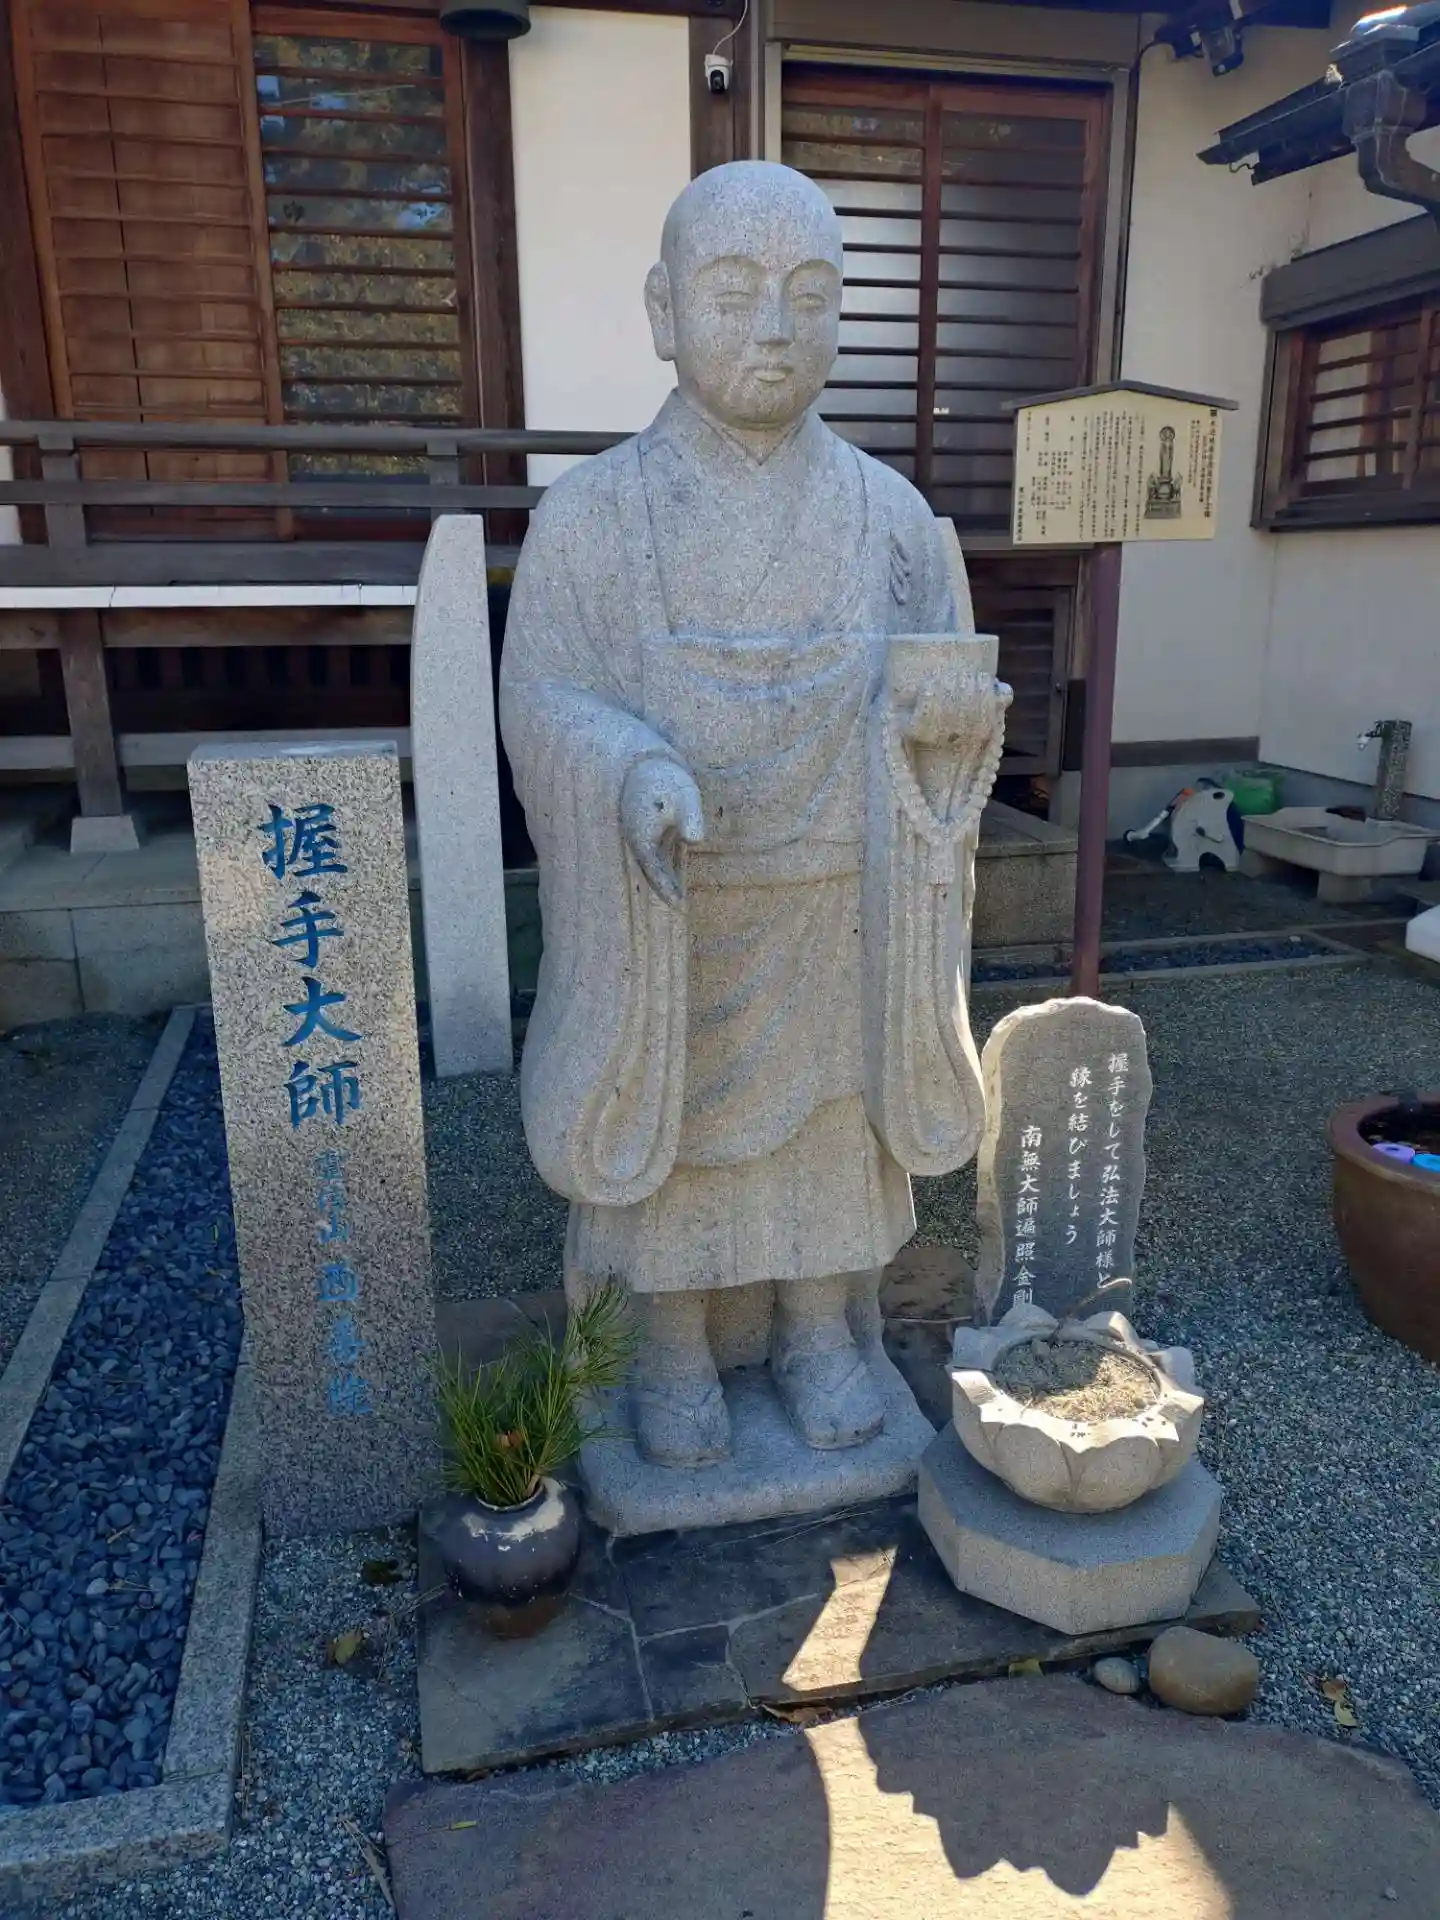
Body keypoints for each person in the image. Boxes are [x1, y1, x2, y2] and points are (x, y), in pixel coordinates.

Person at [500, 162, 1009, 1476]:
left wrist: (949, 731)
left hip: (842, 902)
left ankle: (821, 1334)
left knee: (833, 1126)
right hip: (675, 911)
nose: (776, 329)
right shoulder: (594, 517)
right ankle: (669, 1349)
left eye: (811, 296)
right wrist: (626, 769)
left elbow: (943, 690)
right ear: (663, 312)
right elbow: (543, 697)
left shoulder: (893, 520)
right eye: (735, 295)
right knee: (682, 1132)